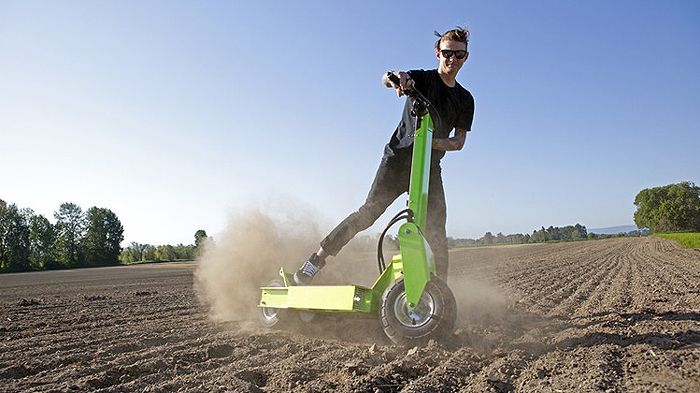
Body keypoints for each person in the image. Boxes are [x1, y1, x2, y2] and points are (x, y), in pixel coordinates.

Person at [294, 26, 475, 284]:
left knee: (436, 230)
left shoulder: (465, 99)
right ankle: (315, 261)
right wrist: (396, 79)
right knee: (368, 214)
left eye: (459, 55)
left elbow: (458, 142)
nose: (452, 60)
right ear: (438, 52)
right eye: (448, 53)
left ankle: (439, 291)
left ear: (466, 57)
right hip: (398, 161)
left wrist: (429, 144)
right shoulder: (421, 80)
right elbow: (388, 78)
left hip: (429, 170)